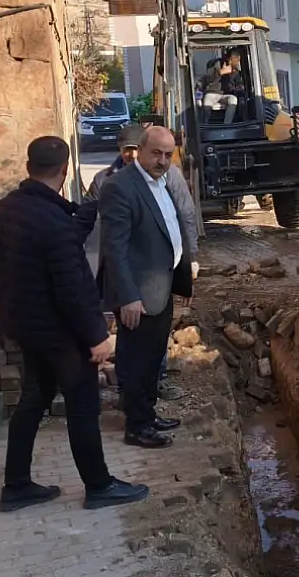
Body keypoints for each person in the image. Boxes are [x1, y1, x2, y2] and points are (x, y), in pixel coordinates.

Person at [0, 136, 150, 511]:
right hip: (60, 334)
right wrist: (96, 338)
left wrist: (77, 220)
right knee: (82, 408)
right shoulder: (54, 224)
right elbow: (72, 288)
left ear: (29, 166)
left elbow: (23, 261)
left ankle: (16, 486)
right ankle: (99, 486)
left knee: (32, 401)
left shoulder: (7, 210)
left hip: (26, 326)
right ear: (64, 171)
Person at [87, 124, 199, 402]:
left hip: (162, 283)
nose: (162, 160)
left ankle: (148, 409)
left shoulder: (166, 179)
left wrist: (188, 266)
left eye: (167, 154)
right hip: (138, 289)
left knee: (153, 351)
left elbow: (181, 220)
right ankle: (137, 419)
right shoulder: (113, 183)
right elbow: (114, 245)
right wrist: (127, 295)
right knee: (136, 356)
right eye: (156, 153)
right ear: (140, 151)